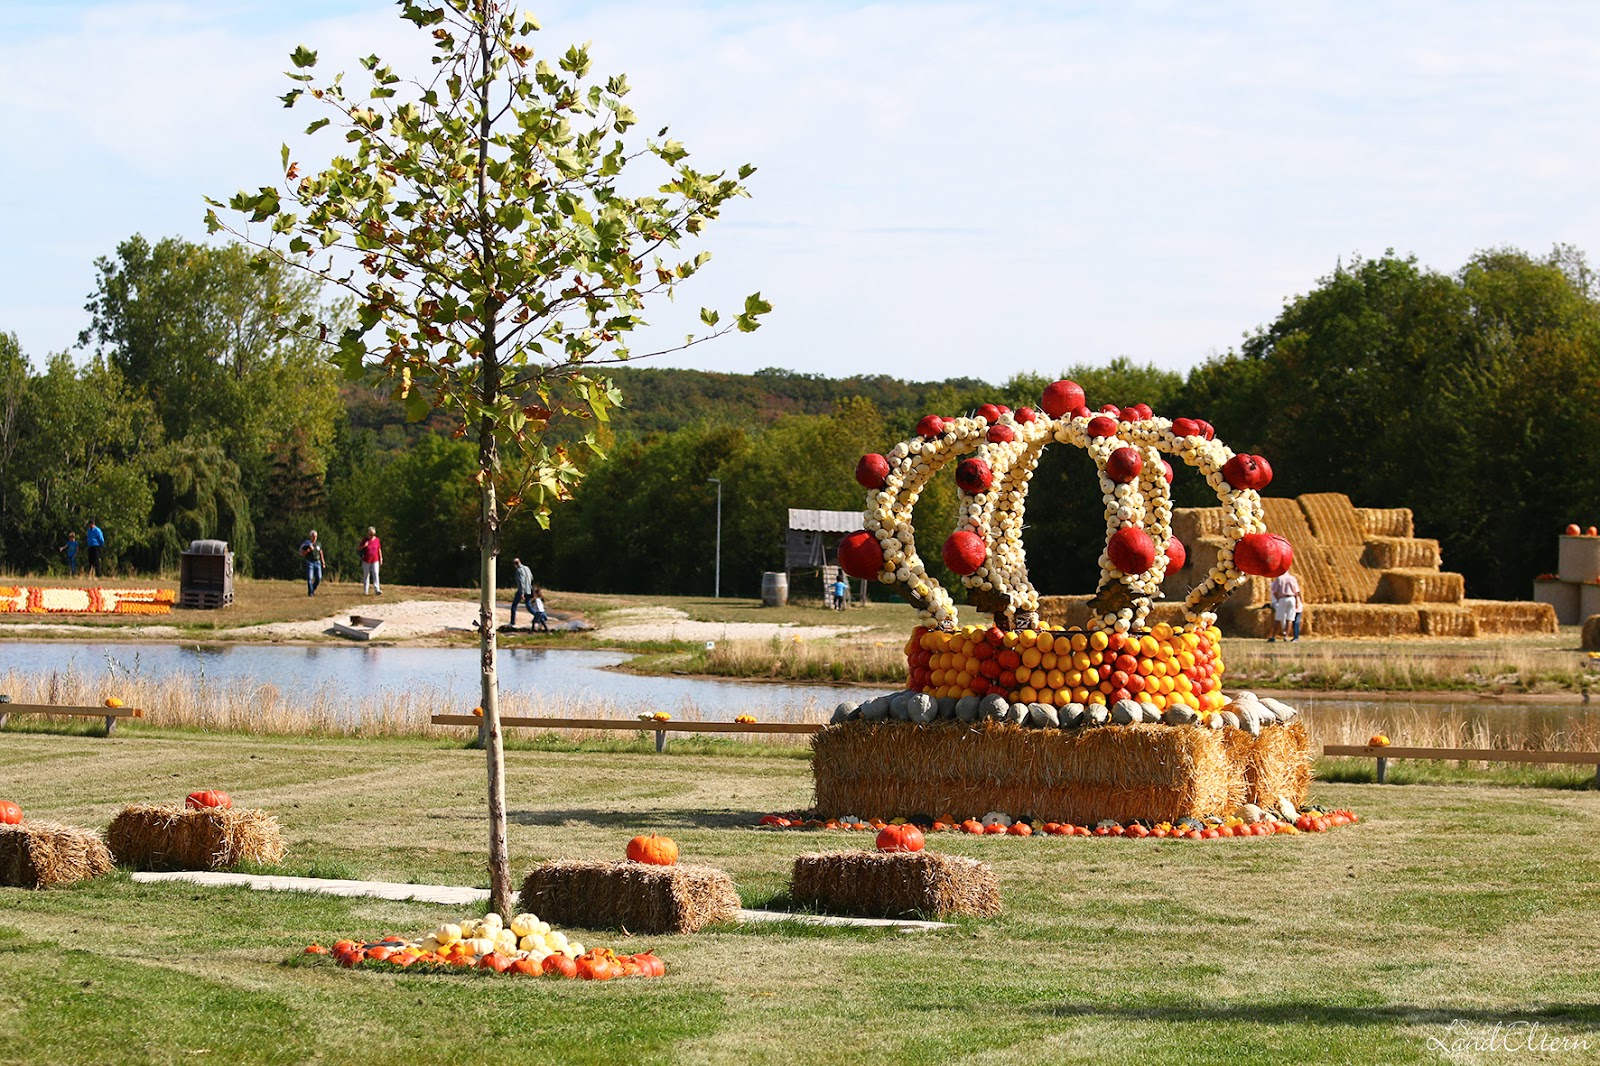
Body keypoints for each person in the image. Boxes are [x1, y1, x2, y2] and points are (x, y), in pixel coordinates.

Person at [1269, 570, 1303, 642]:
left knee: (1278, 618)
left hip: (1282, 598)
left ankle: (1273, 636)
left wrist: (1278, 599)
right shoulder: (1293, 578)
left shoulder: (1279, 578)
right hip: (1292, 598)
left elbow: (1274, 591)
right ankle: (1286, 636)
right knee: (1290, 618)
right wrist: (1297, 601)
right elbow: (1296, 592)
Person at [509, 557, 535, 627]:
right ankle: (539, 616)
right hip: (529, 590)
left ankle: (512, 622)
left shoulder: (518, 570)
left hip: (522, 591)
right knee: (528, 606)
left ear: (515, 564)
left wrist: (522, 593)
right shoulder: (527, 568)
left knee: (514, 606)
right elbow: (532, 578)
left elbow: (521, 582)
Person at [299, 530, 326, 596]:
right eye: (313, 536)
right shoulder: (307, 544)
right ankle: (310, 593)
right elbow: (301, 553)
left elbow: (320, 552)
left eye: (316, 536)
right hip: (310, 562)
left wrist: (323, 562)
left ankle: (312, 589)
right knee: (310, 578)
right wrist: (308, 550)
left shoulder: (318, 544)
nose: (315, 538)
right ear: (310, 536)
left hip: (317, 562)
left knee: (319, 577)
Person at [358, 526, 383, 595]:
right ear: (368, 534)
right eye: (370, 534)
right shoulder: (365, 540)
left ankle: (377, 589)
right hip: (366, 560)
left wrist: (381, 558)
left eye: (373, 534)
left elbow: (379, 549)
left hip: (375, 560)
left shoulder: (377, 540)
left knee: (375, 574)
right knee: (366, 575)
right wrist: (364, 546)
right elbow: (358, 548)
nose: (372, 536)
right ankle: (366, 590)